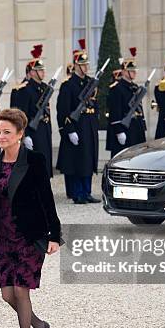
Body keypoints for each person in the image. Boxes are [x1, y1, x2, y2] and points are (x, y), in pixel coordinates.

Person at [0, 108, 61, 328]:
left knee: (20, 290)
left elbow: (46, 199)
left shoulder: (35, 161)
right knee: (7, 295)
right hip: (4, 238)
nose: (1, 136)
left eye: (7, 132)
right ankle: (39, 325)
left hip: (29, 236)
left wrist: (55, 235)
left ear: (20, 134)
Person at [56, 38, 100, 205]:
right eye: (83, 64)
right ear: (76, 65)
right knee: (78, 161)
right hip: (77, 127)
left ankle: (87, 191)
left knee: (88, 159)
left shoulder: (90, 83)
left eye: (87, 64)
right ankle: (78, 193)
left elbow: (95, 106)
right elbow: (63, 111)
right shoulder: (68, 85)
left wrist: (95, 123)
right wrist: (69, 130)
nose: (86, 67)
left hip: (89, 125)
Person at [10, 44, 53, 177]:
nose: (43, 72)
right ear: (32, 72)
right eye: (39, 70)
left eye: (43, 69)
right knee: (34, 167)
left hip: (44, 129)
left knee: (44, 163)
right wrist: (25, 135)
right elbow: (21, 116)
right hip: (33, 133)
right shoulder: (25, 90)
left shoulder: (44, 87)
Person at [106, 47, 147, 158]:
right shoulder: (117, 88)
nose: (134, 73)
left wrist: (143, 125)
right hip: (126, 129)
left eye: (134, 70)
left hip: (136, 127)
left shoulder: (135, 87)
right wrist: (119, 131)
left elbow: (139, 108)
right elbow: (115, 111)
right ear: (124, 71)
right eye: (131, 70)